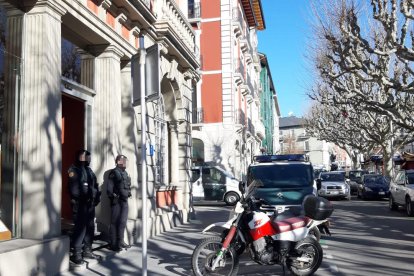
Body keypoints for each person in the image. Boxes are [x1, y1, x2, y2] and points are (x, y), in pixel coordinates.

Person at [68, 149, 101, 264]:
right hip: (80, 204)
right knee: (80, 228)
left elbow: (95, 186)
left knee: (90, 227)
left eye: (89, 158)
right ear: (81, 157)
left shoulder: (89, 171)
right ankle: (76, 253)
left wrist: (97, 197)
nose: (89, 160)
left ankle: (87, 250)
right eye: (87, 157)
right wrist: (85, 197)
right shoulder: (74, 170)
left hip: (90, 204)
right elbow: (74, 190)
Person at [107, 154, 132, 251]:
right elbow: (109, 189)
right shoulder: (114, 173)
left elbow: (128, 186)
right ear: (118, 162)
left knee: (122, 222)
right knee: (114, 223)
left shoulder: (125, 173)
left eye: (125, 161)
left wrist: (128, 193)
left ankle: (120, 240)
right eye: (123, 161)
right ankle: (113, 243)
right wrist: (114, 197)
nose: (125, 163)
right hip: (117, 202)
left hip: (124, 201)